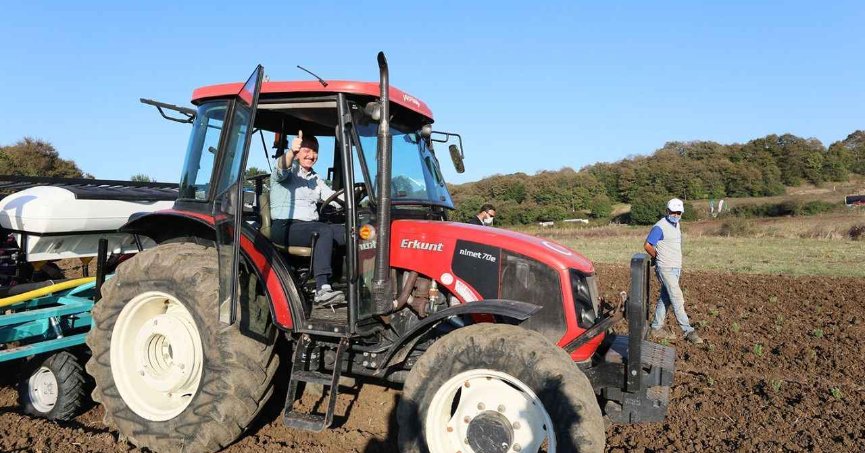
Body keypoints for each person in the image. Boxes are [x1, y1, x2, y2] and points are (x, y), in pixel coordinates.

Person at [270, 131, 345, 306]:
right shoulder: (287, 171)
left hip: (309, 227)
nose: (311, 155)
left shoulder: (315, 178)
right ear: (298, 152)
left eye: (315, 151)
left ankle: (357, 283)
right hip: (285, 227)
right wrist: (291, 152)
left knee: (352, 231)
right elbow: (281, 168)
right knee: (323, 230)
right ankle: (322, 288)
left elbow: (332, 197)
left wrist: (355, 196)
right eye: (306, 150)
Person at [644, 198, 703, 344]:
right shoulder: (660, 227)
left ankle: (656, 328)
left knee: (665, 298)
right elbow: (647, 245)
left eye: (678, 212)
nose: (676, 215)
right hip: (665, 267)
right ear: (667, 211)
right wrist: (657, 257)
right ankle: (688, 331)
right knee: (676, 297)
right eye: (673, 212)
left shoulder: (677, 225)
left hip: (675, 267)